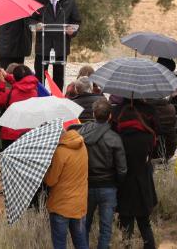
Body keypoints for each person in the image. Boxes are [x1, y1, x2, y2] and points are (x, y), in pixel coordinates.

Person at [78, 99, 127, 249]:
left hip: (87, 185)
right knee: (105, 228)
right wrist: (117, 183)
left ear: (93, 114)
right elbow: (122, 169)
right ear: (110, 116)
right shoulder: (115, 138)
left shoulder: (81, 134)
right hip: (108, 186)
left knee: (84, 225)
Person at [115, 105, 158, 248]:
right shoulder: (148, 135)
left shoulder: (118, 137)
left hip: (125, 186)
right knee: (145, 225)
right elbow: (150, 156)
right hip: (143, 185)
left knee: (126, 228)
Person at [31, 0, 82, 90]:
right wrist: (36, 25)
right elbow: (30, 19)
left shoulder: (69, 1)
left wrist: (72, 31)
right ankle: (40, 102)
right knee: (39, 79)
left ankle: (57, 102)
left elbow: (77, 21)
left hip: (61, 47)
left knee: (58, 80)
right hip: (43, 47)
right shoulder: (38, 1)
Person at [44, 126, 89, 249]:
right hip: (79, 204)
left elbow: (51, 181)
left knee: (60, 244)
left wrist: (46, 171)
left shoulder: (60, 152)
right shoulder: (82, 145)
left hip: (61, 206)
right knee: (81, 242)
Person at [0, 64, 45, 144]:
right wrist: (7, 76)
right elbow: (23, 82)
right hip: (29, 132)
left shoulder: (11, 94)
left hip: (11, 134)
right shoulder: (34, 90)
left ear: (16, 77)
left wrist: (2, 83)